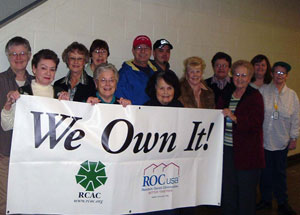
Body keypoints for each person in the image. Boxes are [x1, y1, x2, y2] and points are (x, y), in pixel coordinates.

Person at [217, 60, 265, 215]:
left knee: (246, 194)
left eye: (244, 75)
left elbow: (256, 123)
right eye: (237, 74)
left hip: (248, 154)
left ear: (250, 77)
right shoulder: (226, 93)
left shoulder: (255, 96)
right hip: (227, 151)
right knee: (228, 191)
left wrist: (235, 117)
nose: (240, 78)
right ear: (232, 75)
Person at [257, 61, 299, 215]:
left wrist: (294, 137)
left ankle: (282, 202)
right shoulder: (263, 91)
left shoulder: (292, 95)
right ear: (272, 74)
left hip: (282, 140)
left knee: (280, 173)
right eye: (276, 72)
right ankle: (266, 200)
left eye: (282, 73)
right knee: (265, 173)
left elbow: (295, 118)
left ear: (286, 76)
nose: (279, 75)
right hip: (265, 140)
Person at [0, 36, 34, 214]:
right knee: (3, 202)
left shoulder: (37, 83)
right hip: (5, 152)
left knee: (26, 199)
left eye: (22, 53)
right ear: (8, 56)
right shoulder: (0, 81)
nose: (18, 57)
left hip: (29, 154)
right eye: (14, 53)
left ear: (29, 56)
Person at [1, 49, 69, 131]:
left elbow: (67, 126)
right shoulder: (22, 93)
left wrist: (66, 106)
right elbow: (7, 126)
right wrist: (8, 105)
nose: (48, 73)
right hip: (27, 143)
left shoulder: (60, 94)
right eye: (44, 68)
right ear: (34, 69)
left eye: (52, 69)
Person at [115, 35, 157, 105]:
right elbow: (121, 99)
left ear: (151, 51)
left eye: (146, 48)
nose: (143, 51)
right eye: (139, 47)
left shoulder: (156, 73)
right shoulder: (124, 74)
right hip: (133, 114)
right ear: (133, 51)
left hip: (154, 114)